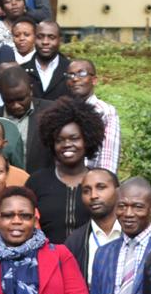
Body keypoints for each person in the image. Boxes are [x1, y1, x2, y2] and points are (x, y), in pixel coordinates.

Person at [30, 96, 106, 243]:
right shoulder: (37, 182)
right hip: (47, 256)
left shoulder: (101, 182)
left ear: (87, 140)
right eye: (59, 140)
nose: (67, 144)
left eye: (74, 138)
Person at [63, 166, 125, 280]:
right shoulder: (75, 242)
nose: (93, 196)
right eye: (86, 191)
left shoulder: (133, 234)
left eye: (101, 187)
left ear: (118, 191)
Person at [0, 66, 54, 174]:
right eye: (9, 101)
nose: (16, 105)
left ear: (31, 90)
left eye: (21, 99)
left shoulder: (51, 112)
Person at [65, 58, 121, 171]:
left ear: (94, 80)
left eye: (82, 74)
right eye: (71, 75)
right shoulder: (61, 111)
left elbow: (108, 158)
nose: (75, 79)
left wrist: (102, 178)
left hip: (93, 178)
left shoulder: (106, 112)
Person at [23, 21, 70, 102]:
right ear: (34, 39)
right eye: (40, 37)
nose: (45, 42)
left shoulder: (71, 70)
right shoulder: (21, 70)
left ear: (60, 40)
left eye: (51, 37)